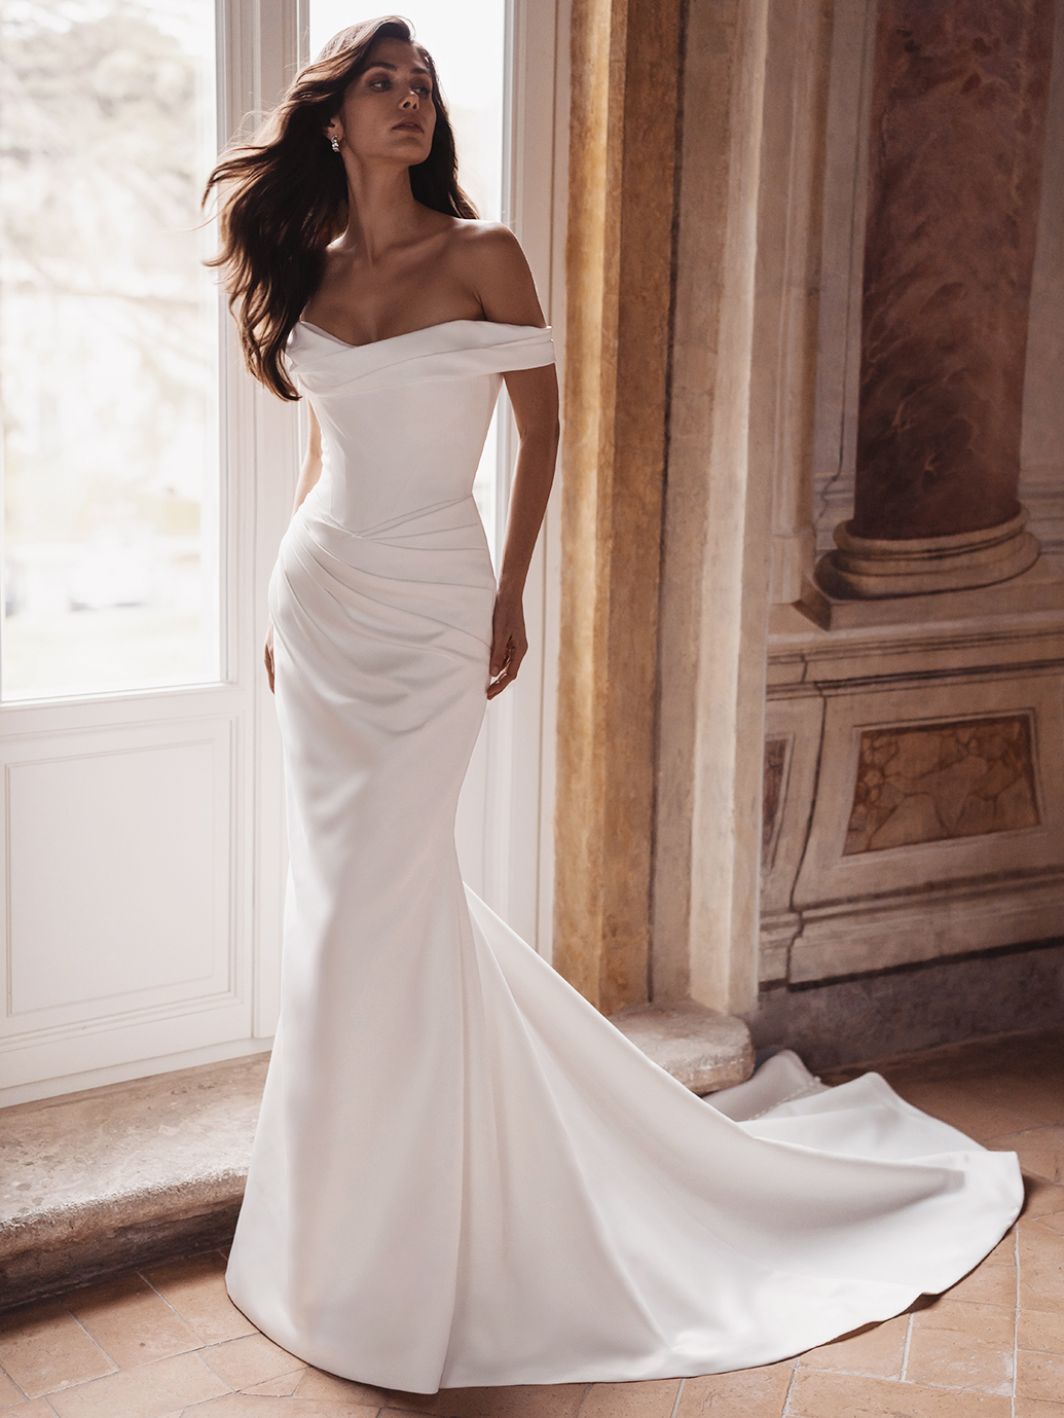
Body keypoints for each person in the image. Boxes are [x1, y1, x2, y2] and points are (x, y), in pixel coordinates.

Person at [201, 14, 1025, 1398]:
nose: (411, 101)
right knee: (346, 910)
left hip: (433, 606)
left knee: (375, 903)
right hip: (325, 606)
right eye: (382, 84)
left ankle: (385, 1243)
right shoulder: (306, 263)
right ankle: (341, 1235)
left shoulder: (485, 254)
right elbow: (317, 444)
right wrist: (278, 608)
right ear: (332, 119)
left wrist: (512, 589)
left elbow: (543, 429)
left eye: (424, 84)